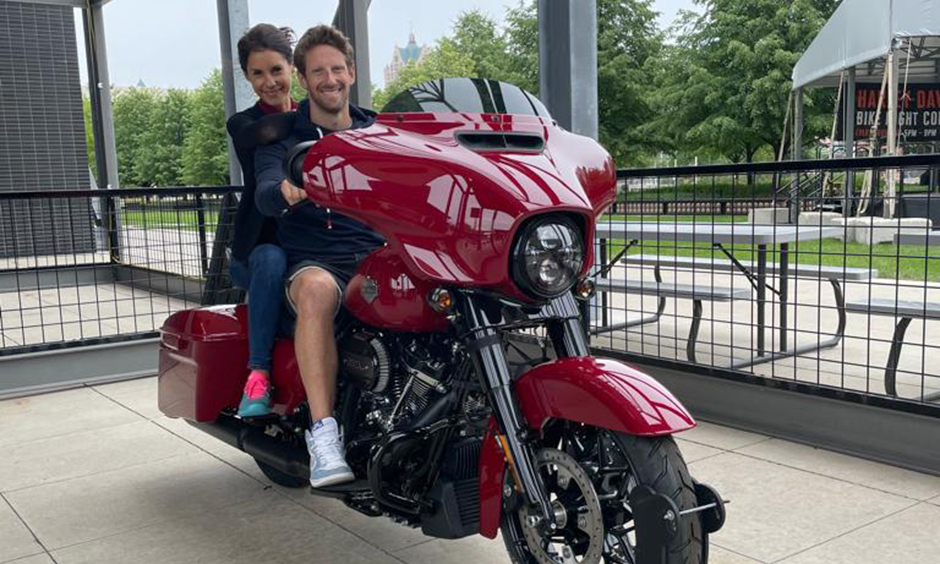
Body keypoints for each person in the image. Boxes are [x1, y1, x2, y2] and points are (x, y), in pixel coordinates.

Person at [254, 25, 383, 487]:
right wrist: (287, 189)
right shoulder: (282, 136)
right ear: (304, 81)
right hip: (315, 260)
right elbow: (266, 191)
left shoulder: (378, 129)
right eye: (318, 72)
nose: (330, 78)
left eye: (337, 68)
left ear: (351, 72)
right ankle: (324, 435)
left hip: (376, 255)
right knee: (316, 291)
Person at [226, 24, 297, 418]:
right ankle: (258, 374)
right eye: (258, 74)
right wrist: (322, 115)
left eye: (276, 70)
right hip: (256, 248)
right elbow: (268, 132)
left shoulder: (311, 115)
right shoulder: (243, 125)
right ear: (248, 77)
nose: (269, 82)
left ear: (291, 67)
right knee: (270, 259)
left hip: (306, 241)